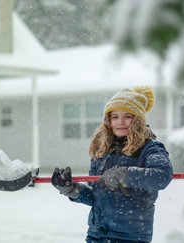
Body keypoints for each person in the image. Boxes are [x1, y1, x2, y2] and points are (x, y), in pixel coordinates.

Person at [51, 86, 173, 243]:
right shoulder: (102, 150)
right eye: (115, 117)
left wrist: (124, 175)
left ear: (138, 120)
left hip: (131, 237)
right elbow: (96, 197)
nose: (120, 122)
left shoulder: (150, 148)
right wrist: (71, 189)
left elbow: (162, 176)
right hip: (97, 235)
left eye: (127, 116)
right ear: (108, 121)